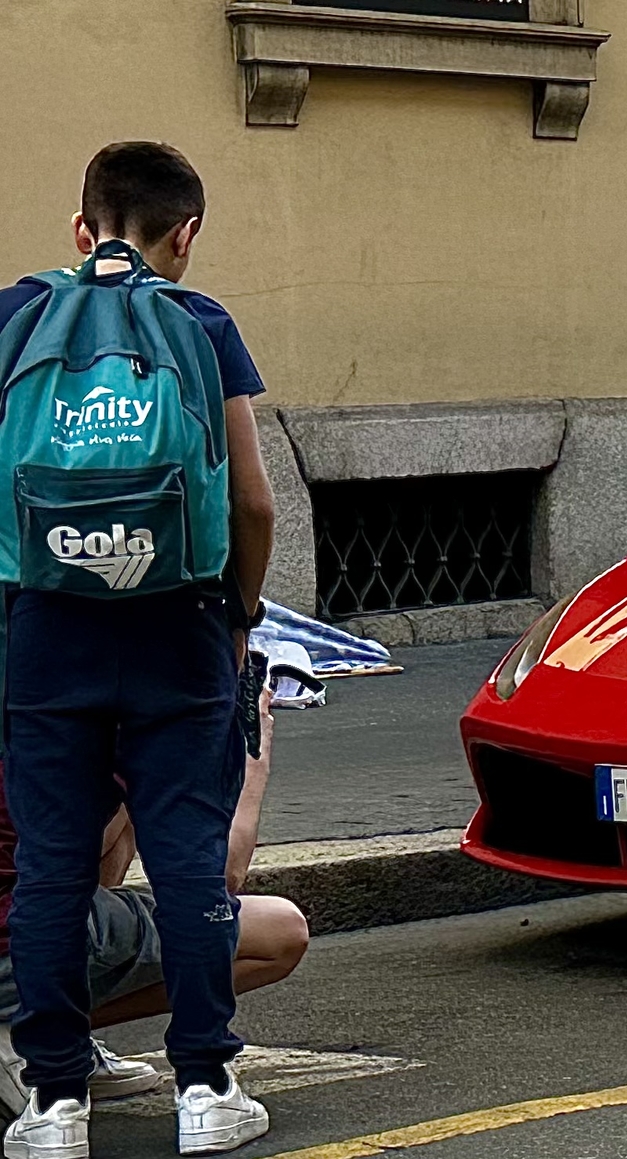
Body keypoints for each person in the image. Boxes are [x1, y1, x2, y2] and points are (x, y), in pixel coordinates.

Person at [0, 141, 280, 1157]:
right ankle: (205, 1088)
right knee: (187, 860)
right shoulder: (202, 324)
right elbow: (251, 498)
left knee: (52, 870)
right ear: (185, 234)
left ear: (82, 229)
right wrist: (239, 609)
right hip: (178, 626)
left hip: (45, 629)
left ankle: (54, 1106)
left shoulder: (15, 315)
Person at [0, 690, 309, 1123]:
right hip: (17, 938)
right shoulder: (123, 703)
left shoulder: (36, 691)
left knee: (109, 826)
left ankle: (53, 1035)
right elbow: (215, 887)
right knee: (280, 931)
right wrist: (249, 745)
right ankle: (32, 1039)